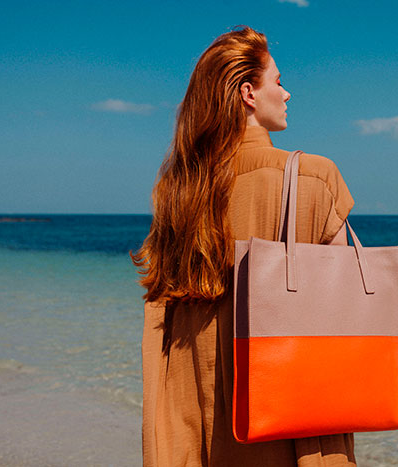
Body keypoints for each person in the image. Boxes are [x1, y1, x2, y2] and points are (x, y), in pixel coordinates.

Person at [132, 26, 355, 466]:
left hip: (197, 424)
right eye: (278, 81)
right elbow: (342, 305)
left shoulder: (179, 192)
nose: (287, 93)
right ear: (249, 93)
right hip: (286, 420)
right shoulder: (313, 176)